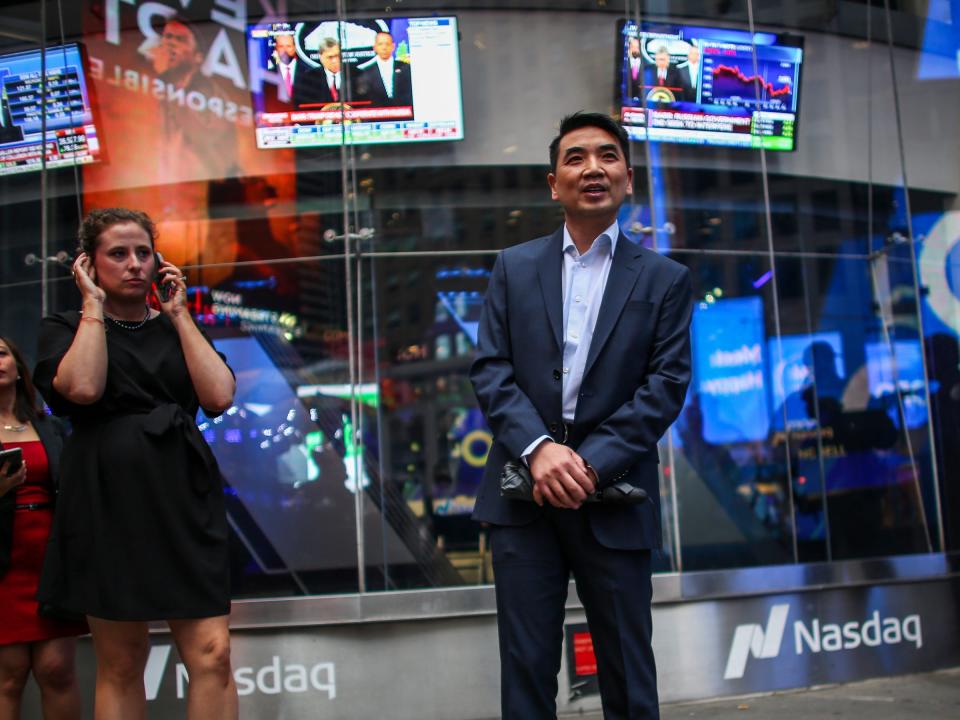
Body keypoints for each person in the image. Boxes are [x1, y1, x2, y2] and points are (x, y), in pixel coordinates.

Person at [470, 112, 692, 719]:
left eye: (606, 156)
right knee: (525, 672)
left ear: (627, 179)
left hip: (615, 494)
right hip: (523, 494)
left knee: (627, 673)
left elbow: (666, 385)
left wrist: (586, 465)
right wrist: (540, 450)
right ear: (553, 182)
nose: (591, 168)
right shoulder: (514, 267)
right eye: (575, 157)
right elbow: (491, 369)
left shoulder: (666, 279)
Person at [33, 208, 239, 719]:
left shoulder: (175, 326)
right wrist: (92, 306)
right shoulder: (63, 327)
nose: (134, 264)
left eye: (144, 253)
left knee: (213, 653)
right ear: (88, 264)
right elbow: (82, 388)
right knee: (123, 662)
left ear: (159, 261)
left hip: (183, 496)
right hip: (108, 500)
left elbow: (218, 396)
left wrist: (180, 315)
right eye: (118, 254)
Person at [0, 336, 85, 720]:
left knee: (57, 670)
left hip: (50, 560)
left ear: (18, 367)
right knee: (8, 676)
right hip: (4, 563)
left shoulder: (48, 426)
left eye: (1, 353)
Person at [356, 31, 413, 108]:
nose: (384, 48)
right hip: (377, 116)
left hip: (405, 114)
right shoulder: (366, 72)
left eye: (387, 44)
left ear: (393, 46)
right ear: (375, 47)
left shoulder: (406, 68)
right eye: (380, 44)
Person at [624, 36, 644, 103]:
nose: (635, 50)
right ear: (629, 48)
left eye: (637, 47)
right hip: (626, 101)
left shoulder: (647, 66)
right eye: (633, 47)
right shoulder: (624, 63)